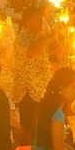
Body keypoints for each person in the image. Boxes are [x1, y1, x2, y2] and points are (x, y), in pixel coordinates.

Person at [12, 8, 55, 141]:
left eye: (41, 19)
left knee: (38, 124)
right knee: (27, 125)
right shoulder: (22, 37)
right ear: (27, 21)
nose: (41, 22)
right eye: (37, 19)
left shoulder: (37, 35)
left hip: (40, 88)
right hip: (29, 89)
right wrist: (47, 39)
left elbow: (49, 50)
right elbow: (30, 51)